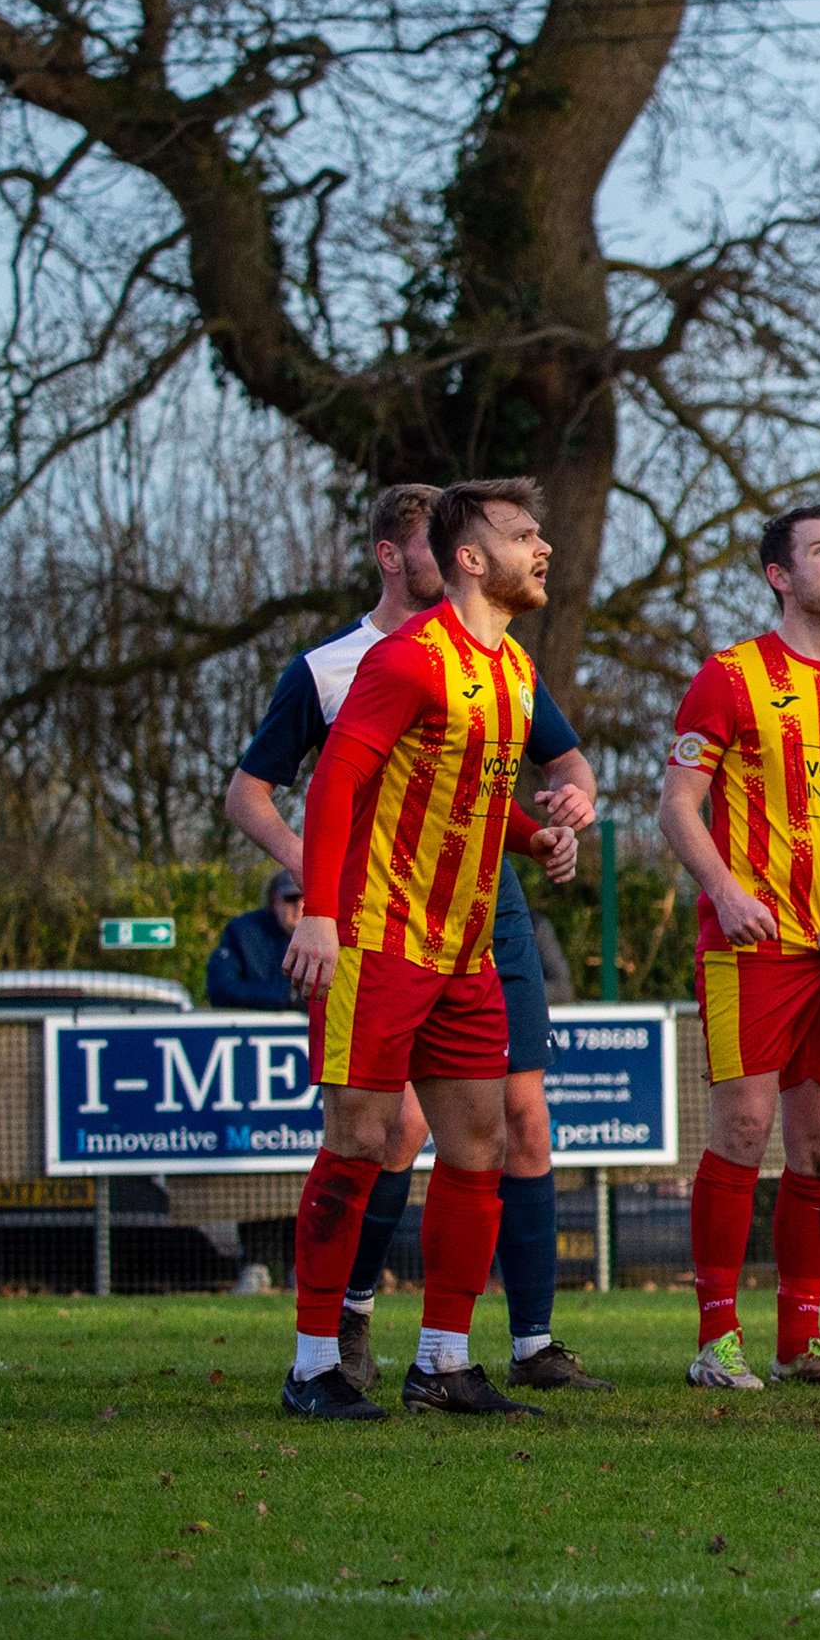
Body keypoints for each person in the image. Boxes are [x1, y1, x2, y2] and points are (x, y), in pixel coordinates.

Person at [228, 484, 606, 1395]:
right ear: (471, 559)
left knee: (479, 1147)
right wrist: (322, 913)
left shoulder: (512, 670)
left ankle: (442, 1361)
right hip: (377, 939)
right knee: (360, 1141)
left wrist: (536, 837)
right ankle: (315, 1364)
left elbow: (470, 794)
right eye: (524, 535)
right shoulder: (404, 660)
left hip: (466, 948)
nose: (544, 548)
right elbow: (333, 784)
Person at [660, 504, 820, 1391]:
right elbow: (677, 805)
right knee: (743, 1126)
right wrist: (726, 894)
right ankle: (716, 1340)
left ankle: (801, 1341)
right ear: (779, 575)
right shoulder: (730, 677)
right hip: (754, 944)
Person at [205, 870, 304, 1012]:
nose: (300, 906)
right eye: (291, 898)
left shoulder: (332, 937)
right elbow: (221, 989)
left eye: (308, 899)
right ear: (275, 901)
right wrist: (289, 997)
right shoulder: (242, 932)